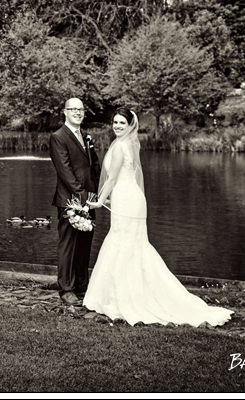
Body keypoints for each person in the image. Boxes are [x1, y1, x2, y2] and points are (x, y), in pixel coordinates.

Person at [84, 108, 233, 327]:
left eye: (122, 123)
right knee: (130, 245)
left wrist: (99, 200)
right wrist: (110, 199)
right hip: (130, 198)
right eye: (114, 122)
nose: (117, 126)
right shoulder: (130, 144)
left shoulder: (120, 147)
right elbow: (127, 176)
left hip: (127, 199)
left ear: (130, 125)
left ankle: (125, 298)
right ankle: (125, 294)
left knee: (124, 245)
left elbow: (113, 178)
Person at [49, 98, 101, 306]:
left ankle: (82, 285)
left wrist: (96, 193)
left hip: (89, 199)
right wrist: (81, 197)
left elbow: (94, 166)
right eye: (73, 109)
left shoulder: (85, 136)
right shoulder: (58, 137)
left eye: (80, 109)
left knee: (84, 245)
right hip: (70, 200)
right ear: (65, 112)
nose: (78, 113)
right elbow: (65, 171)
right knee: (68, 246)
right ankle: (66, 289)